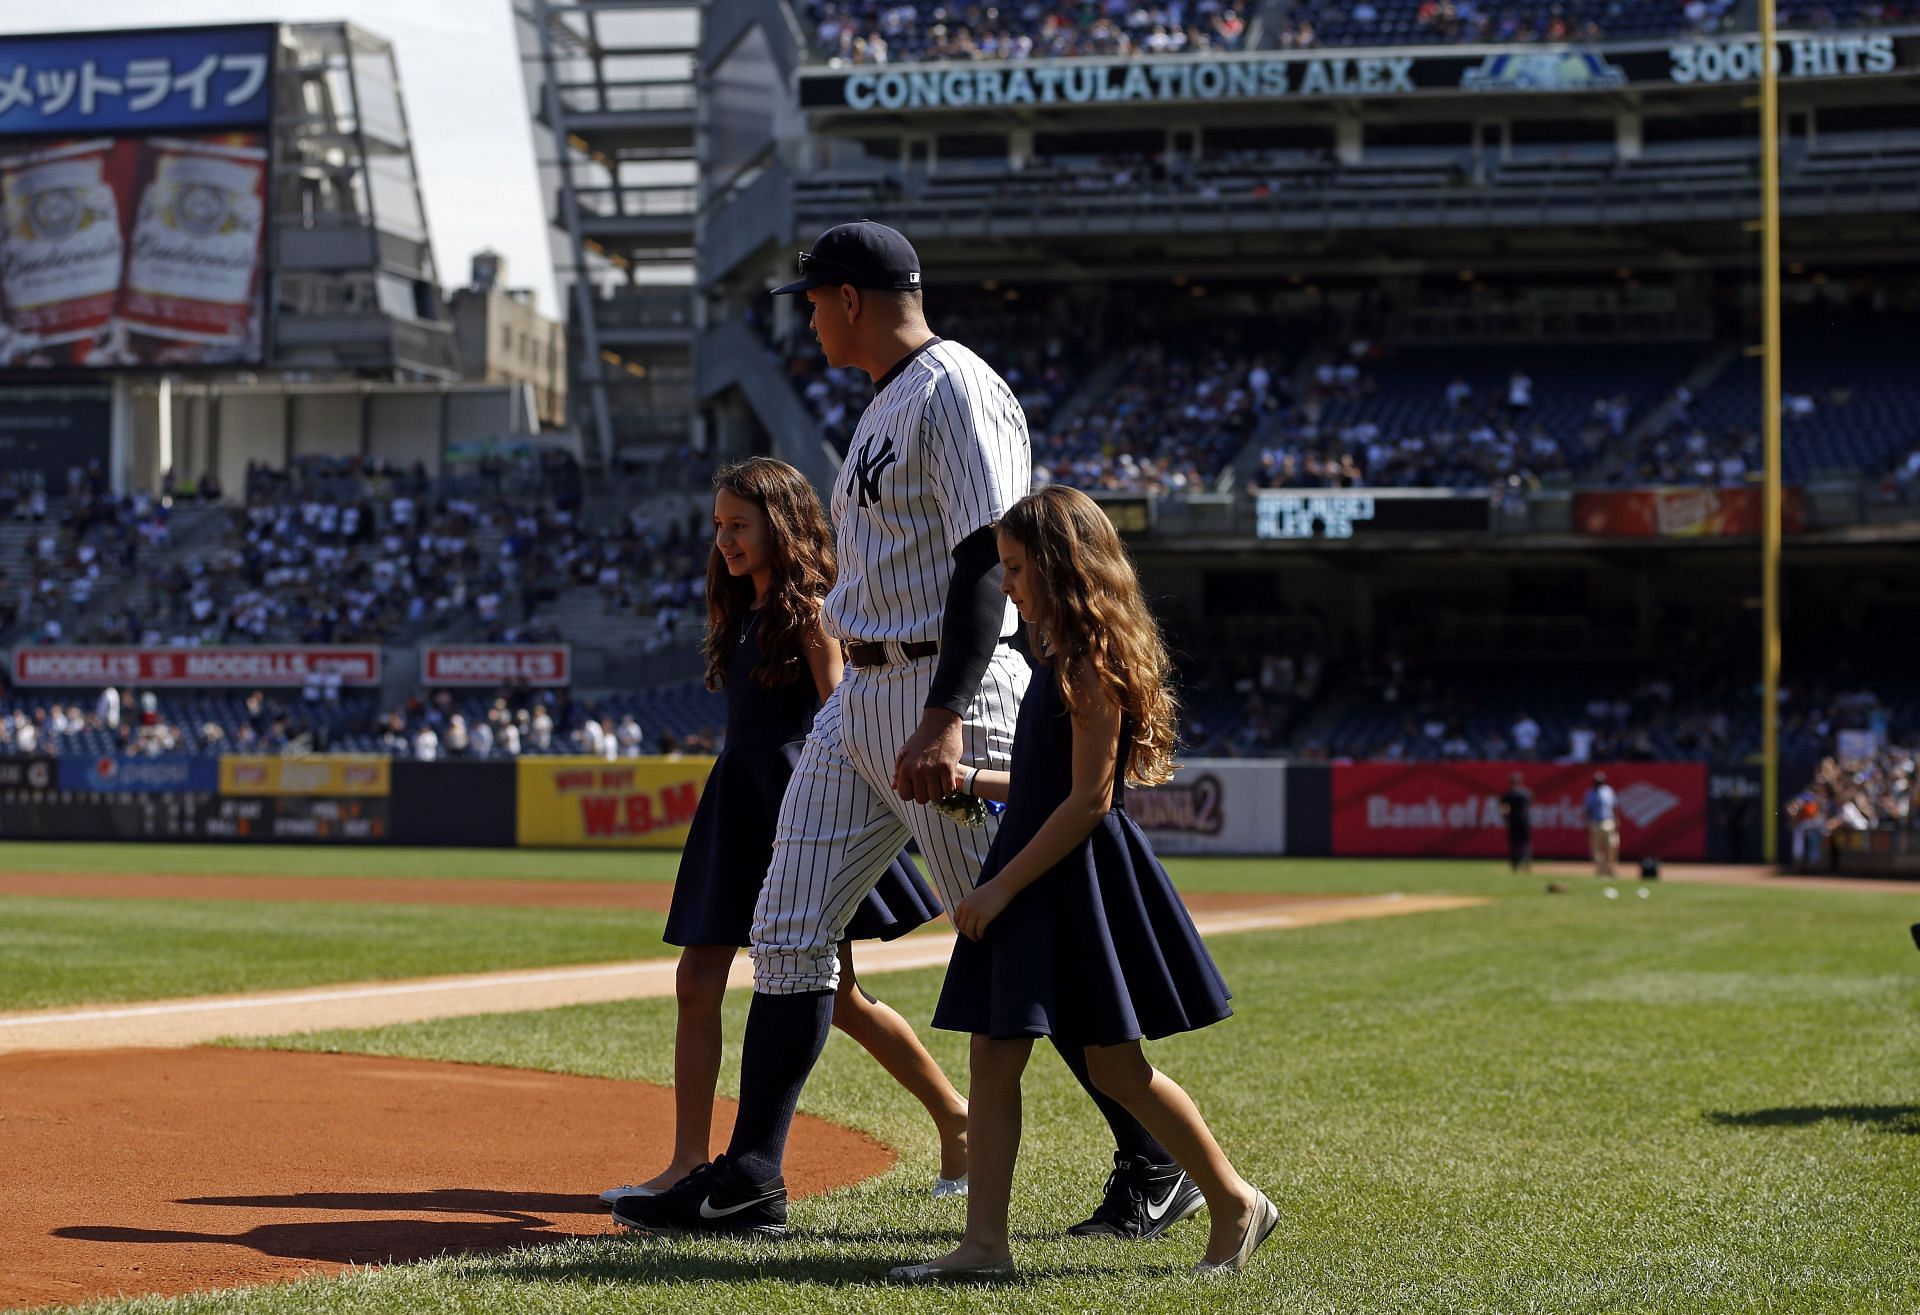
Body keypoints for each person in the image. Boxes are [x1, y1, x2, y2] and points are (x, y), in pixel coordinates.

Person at [615, 221, 1201, 1242]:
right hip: (862, 695)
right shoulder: (886, 399)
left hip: (948, 688)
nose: (806, 319)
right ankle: (751, 1175)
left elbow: (989, 555)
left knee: (1018, 931)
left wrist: (941, 716)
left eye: (811, 300)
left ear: (849, 297)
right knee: (788, 929)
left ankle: (1157, 1159)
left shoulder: (956, 387)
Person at [889, 486, 1275, 1282]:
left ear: (1063, 568)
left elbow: (1089, 803)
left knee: (1116, 1067)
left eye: (1020, 570)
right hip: (1042, 864)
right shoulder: (1057, 659)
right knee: (995, 1055)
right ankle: (985, 1244)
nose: (1010, 587)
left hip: (1072, 876)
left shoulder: (1090, 665)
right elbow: (1041, 783)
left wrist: (997, 890)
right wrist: (973, 781)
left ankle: (1236, 1201)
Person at [601, 458, 969, 1206]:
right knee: (697, 977)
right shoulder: (738, 608)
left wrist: (818, 816)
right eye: (718, 526)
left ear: (782, 524)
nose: (725, 539)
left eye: (739, 525)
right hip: (740, 797)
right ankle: (684, 1162)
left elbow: (843, 715)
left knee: (844, 998)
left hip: (801, 801)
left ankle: (958, 1120)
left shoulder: (813, 612)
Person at [1584, 770, 1619, 876]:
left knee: (1612, 846)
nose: (1598, 783)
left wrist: (1616, 820)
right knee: (1596, 849)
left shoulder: (1608, 791)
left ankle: (1610, 868)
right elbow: (1587, 810)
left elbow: (1614, 807)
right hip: (1595, 823)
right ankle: (1600, 869)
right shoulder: (1590, 793)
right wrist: (1588, 823)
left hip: (1608, 821)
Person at [1499, 771, 1533, 873]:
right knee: (1525, 843)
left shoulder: (1508, 795)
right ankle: (1526, 863)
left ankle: (1515, 864)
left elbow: (1504, 808)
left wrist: (1505, 819)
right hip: (1524, 821)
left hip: (1513, 821)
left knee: (1515, 844)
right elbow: (1529, 805)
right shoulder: (1526, 793)